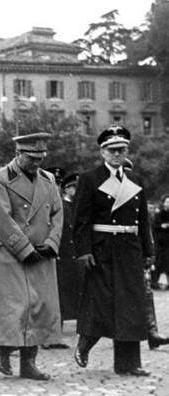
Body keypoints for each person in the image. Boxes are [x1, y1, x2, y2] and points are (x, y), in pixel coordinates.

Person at [73, 125, 155, 376]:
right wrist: (84, 250)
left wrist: (148, 250)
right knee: (101, 303)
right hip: (102, 249)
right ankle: (85, 343)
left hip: (129, 249)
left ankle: (129, 363)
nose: (118, 154)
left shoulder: (135, 180)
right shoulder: (90, 179)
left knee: (131, 305)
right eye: (113, 150)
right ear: (103, 152)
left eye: (122, 149)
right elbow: (80, 220)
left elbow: (142, 221)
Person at [0, 132, 63, 381]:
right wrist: (24, 249)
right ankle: (4, 349)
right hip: (12, 254)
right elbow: (1, 218)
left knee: (39, 307)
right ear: (18, 154)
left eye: (41, 157)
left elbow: (58, 214)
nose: (37, 163)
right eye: (32, 158)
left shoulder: (49, 179)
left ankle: (29, 362)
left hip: (42, 253)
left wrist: (52, 243)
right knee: (14, 308)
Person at [44, 172, 84, 349]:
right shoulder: (60, 206)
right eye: (73, 186)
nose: (76, 190)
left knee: (76, 293)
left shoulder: (78, 206)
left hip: (75, 256)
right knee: (57, 295)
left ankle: (63, 333)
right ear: (67, 189)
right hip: (61, 256)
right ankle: (51, 336)